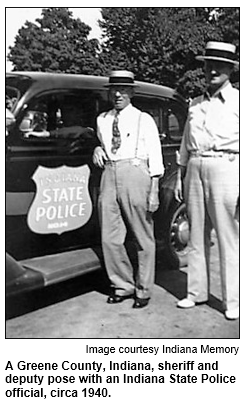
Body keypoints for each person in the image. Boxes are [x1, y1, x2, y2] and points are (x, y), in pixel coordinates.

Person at [174, 42, 239, 320]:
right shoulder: (195, 103)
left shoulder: (239, 101)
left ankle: (233, 301)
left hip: (227, 166)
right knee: (196, 235)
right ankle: (196, 293)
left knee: (228, 238)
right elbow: (186, 142)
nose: (212, 69)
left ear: (231, 70)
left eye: (219, 65)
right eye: (208, 64)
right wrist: (181, 173)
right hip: (196, 167)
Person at [93, 70, 164, 308]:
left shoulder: (144, 119)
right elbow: (103, 143)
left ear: (132, 92)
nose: (117, 94)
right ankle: (122, 285)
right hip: (109, 174)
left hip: (135, 172)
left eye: (123, 90)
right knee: (110, 236)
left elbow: (155, 155)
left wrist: (153, 190)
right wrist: (98, 149)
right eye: (113, 90)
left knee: (142, 235)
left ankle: (143, 290)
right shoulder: (102, 119)